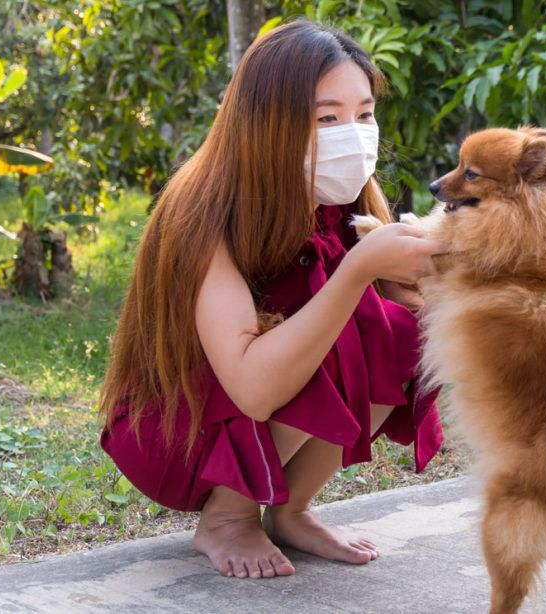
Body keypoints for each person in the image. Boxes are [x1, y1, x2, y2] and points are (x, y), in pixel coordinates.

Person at [98, 20, 448, 580]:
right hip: (180, 430)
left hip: (250, 417)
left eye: (364, 114)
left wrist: (417, 286)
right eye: (326, 117)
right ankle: (228, 517)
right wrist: (358, 271)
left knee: (407, 332)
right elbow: (253, 387)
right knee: (343, 322)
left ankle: (291, 509)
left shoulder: (337, 200)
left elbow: (393, 318)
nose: (353, 135)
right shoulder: (204, 213)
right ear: (267, 123)